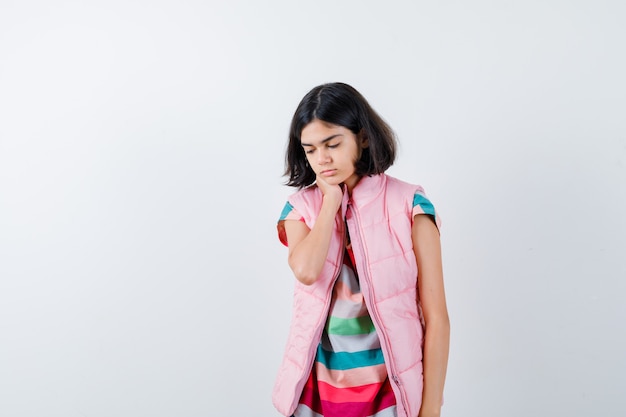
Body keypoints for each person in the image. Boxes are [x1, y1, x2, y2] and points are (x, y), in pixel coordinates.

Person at [273, 82, 449, 417]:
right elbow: (307, 271)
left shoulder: (410, 205)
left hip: (390, 390)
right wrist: (330, 204)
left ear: (363, 138)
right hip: (316, 392)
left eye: (332, 144)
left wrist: (430, 409)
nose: (322, 159)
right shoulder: (300, 209)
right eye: (310, 150)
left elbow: (437, 317)